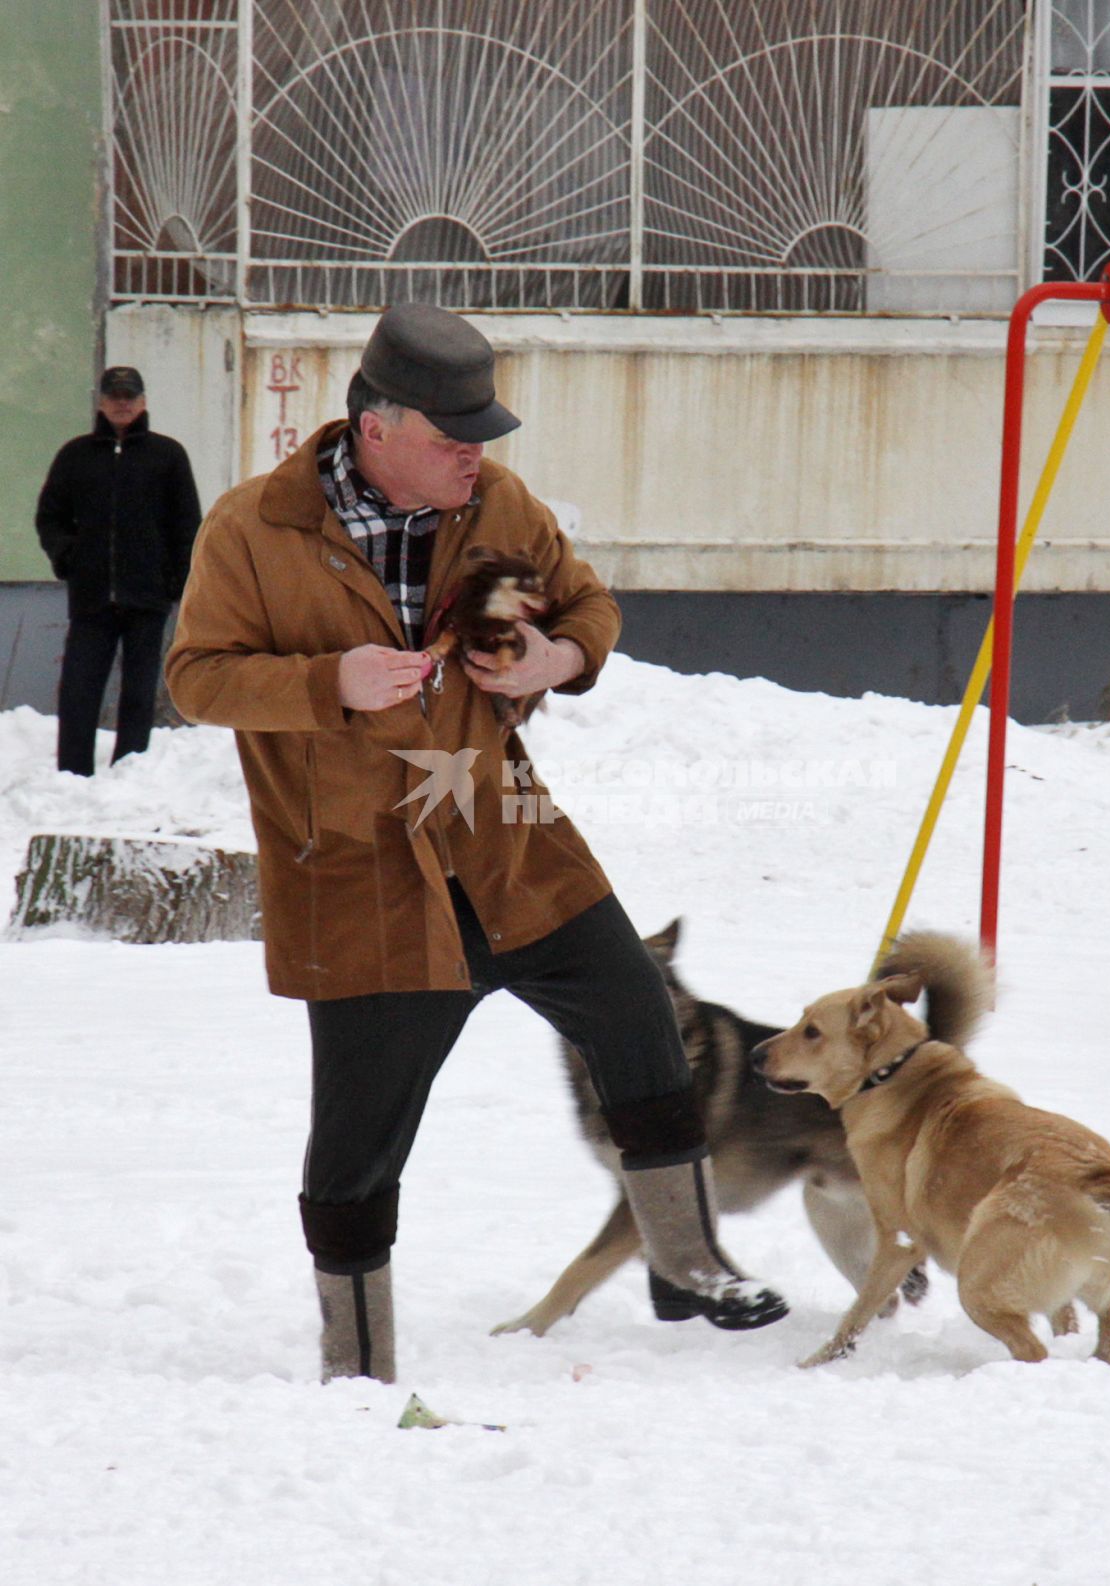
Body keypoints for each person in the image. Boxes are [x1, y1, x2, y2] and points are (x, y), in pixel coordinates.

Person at [165, 304, 786, 1383]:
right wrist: (328, 683)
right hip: (361, 874)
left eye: (482, 436)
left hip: (509, 850)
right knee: (357, 1139)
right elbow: (194, 677)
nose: (478, 456)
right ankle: (356, 1360)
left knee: (639, 1013)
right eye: (455, 437)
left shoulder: (496, 502)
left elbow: (589, 603)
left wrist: (559, 656)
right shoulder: (251, 531)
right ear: (378, 426)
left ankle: (684, 1263)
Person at [35, 366, 202, 776]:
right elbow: (50, 517)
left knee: (139, 690)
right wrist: (68, 557)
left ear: (144, 402)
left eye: (130, 397)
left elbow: (187, 525)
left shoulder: (168, 456)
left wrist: (176, 582)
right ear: (101, 402)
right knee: (79, 688)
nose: (122, 404)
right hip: (91, 597)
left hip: (148, 597)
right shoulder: (75, 456)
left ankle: (130, 769)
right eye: (115, 396)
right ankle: (72, 775)